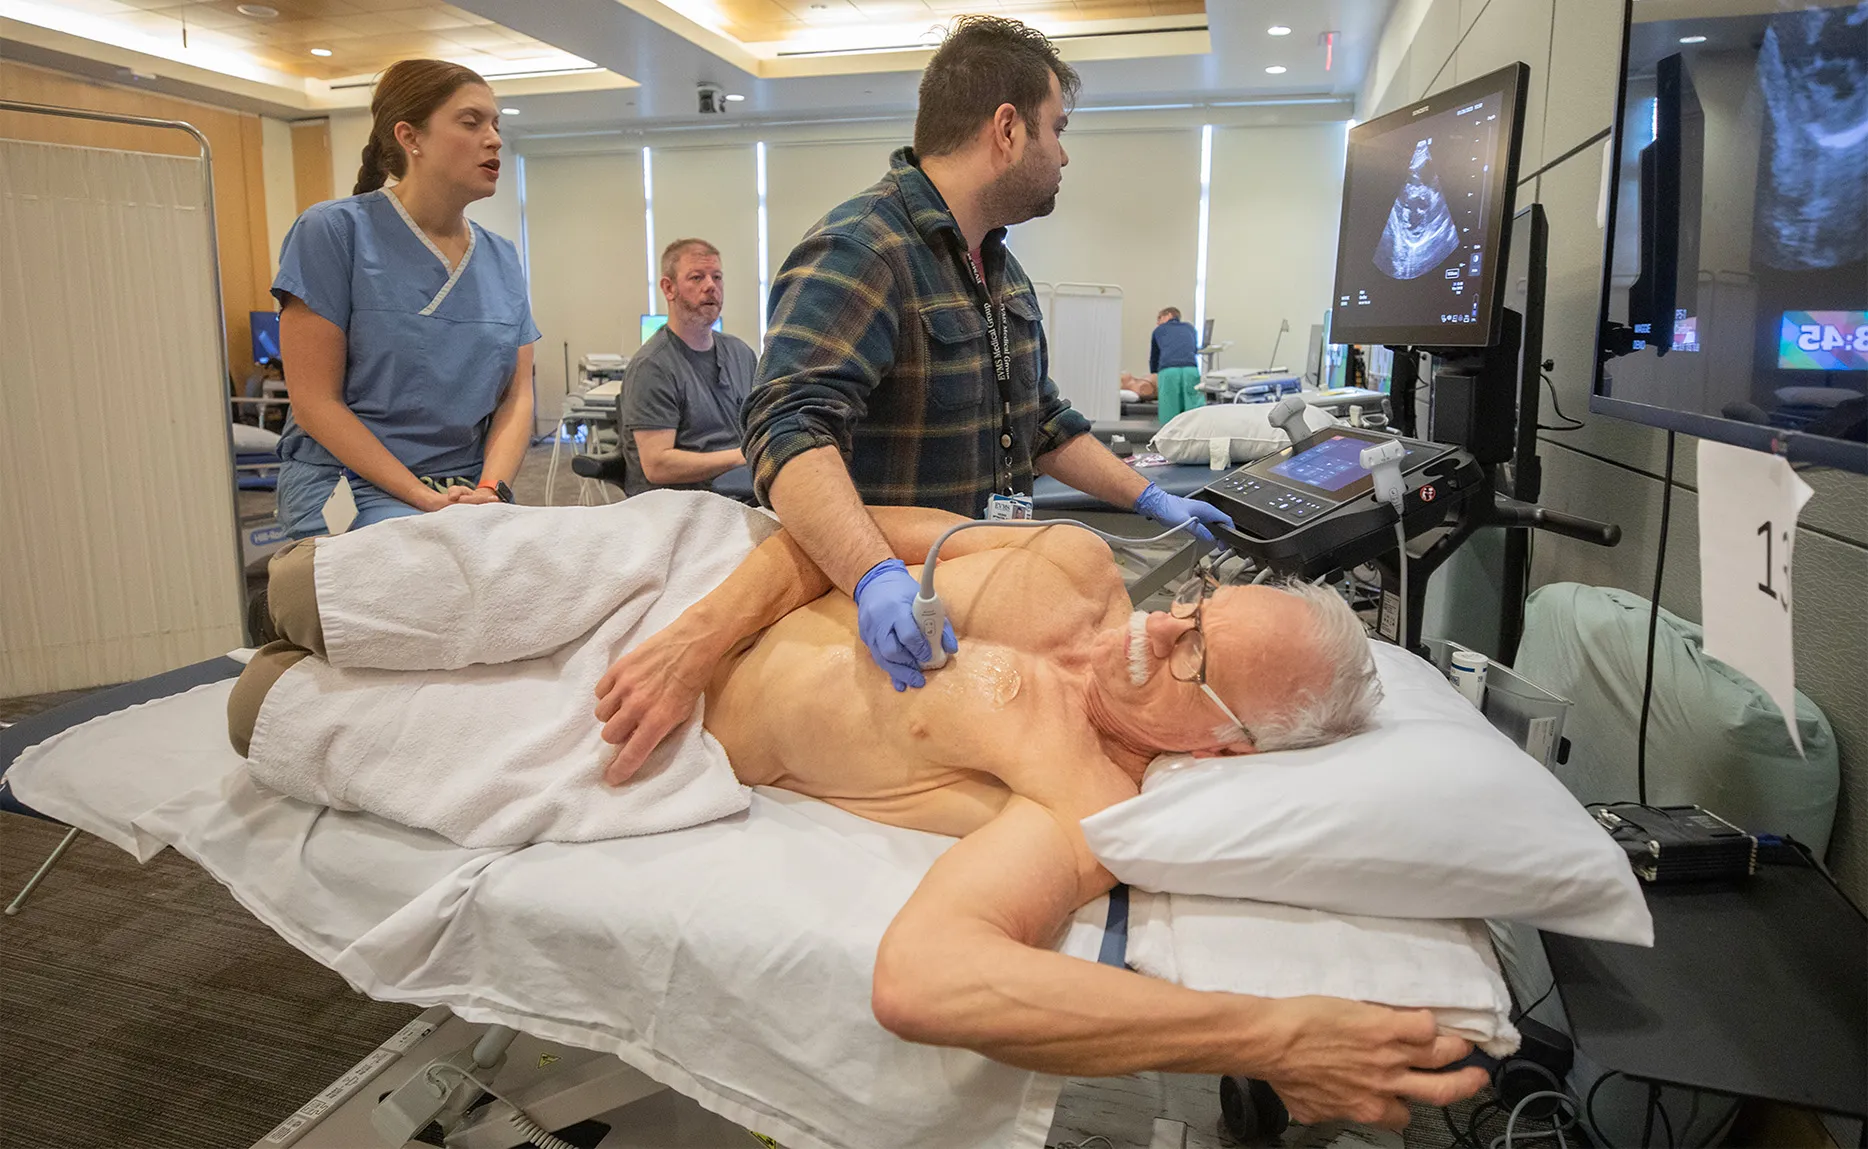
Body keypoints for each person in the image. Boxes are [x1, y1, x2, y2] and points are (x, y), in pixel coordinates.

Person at [228, 504, 1483, 1129]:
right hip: (691, 579)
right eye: (1196, 605)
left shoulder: (1079, 801)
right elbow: (832, 528)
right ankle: (328, 595)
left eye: (1195, 658)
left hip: (644, 730)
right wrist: (701, 631)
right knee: (303, 587)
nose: (1158, 627)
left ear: (1223, 745)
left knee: (264, 712)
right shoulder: (1072, 565)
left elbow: (928, 982)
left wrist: (1263, 1034)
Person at [743, 16, 1234, 694]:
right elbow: (786, 429)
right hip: (890, 628)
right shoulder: (865, 250)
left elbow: (1041, 424)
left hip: (983, 601)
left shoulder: (1002, 274)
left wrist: (1148, 495)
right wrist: (872, 576)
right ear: (1007, 130)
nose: (1064, 155)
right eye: (1057, 128)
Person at [271, 59, 539, 538]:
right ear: (410, 137)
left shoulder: (501, 257)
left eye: (496, 124)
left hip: (467, 490)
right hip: (347, 486)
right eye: (471, 122)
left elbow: (516, 398)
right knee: (438, 569)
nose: (495, 138)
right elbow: (315, 403)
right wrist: (425, 500)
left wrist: (491, 490)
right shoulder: (332, 233)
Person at [618, 239, 757, 496]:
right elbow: (657, 465)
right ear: (668, 288)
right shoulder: (652, 367)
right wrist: (742, 456)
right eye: (696, 278)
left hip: (742, 490)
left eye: (717, 277)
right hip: (682, 504)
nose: (711, 287)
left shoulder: (741, 354)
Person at [1150, 306, 1204, 421]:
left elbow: (1154, 356)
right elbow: (1194, 349)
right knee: (1193, 407)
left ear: (1169, 315)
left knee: (1169, 408)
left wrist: (1154, 373)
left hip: (1169, 370)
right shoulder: (1190, 328)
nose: (1157, 322)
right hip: (1190, 369)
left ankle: (1168, 437)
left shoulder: (1159, 330)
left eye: (1159, 318)